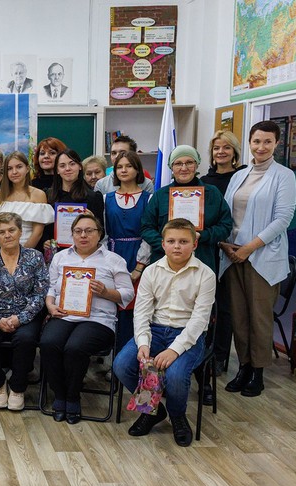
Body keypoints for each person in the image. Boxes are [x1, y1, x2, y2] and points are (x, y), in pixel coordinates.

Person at [113, 218, 215, 446]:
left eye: (183, 241)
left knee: (175, 375)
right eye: (171, 241)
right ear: (163, 244)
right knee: (122, 365)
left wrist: (174, 350)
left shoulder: (206, 274)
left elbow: (199, 320)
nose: (177, 246)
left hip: (188, 335)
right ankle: (153, 410)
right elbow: (142, 312)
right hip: (155, 330)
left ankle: (177, 416)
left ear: (194, 244)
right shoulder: (151, 271)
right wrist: (143, 343)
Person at [220, 120, 296, 397]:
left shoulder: (284, 176)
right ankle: (243, 366)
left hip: (261, 257)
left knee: (259, 318)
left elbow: (282, 219)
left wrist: (248, 248)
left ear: (277, 143)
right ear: (249, 143)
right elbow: (227, 213)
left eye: (267, 141)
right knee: (239, 316)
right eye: (256, 141)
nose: (261, 147)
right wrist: (227, 245)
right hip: (232, 255)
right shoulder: (240, 175)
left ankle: (258, 372)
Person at [40, 214, 133, 424]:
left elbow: (128, 294)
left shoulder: (113, 260)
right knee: (48, 342)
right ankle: (60, 394)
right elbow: (51, 287)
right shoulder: (60, 257)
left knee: (75, 347)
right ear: (72, 234)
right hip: (64, 315)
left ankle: (72, 397)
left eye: (89, 231)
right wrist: (50, 305)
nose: (83, 235)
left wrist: (106, 292)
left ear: (99, 234)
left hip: (98, 319)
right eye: (78, 231)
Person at [0, 212, 48, 410]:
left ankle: (17, 387)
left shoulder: (35, 257)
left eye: (11, 230)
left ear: (20, 231)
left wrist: (20, 318)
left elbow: (40, 293)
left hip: (26, 315)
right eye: (1, 232)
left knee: (26, 339)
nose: (7, 235)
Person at [141, 145, 233, 273]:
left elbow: (226, 226)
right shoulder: (160, 195)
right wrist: (168, 244)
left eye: (189, 162)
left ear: (196, 165)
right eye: (178, 163)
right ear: (171, 167)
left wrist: (203, 235)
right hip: (164, 263)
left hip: (202, 260)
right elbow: (146, 228)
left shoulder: (212, 193)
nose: (184, 168)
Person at [201, 130, 246, 374]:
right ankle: (203, 353)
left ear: (235, 151)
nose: (221, 152)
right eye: (217, 148)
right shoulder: (203, 182)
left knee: (226, 306)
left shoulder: (244, 177)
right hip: (210, 247)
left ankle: (220, 356)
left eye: (227, 147)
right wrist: (218, 242)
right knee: (207, 304)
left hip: (237, 249)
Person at [104, 151, 151, 351]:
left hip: (138, 255)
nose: (124, 170)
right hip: (113, 254)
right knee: (112, 305)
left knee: (135, 307)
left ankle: (132, 355)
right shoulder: (106, 198)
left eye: (129, 166)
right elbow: (103, 233)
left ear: (137, 170)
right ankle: (113, 357)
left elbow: (149, 233)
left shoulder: (149, 198)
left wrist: (140, 266)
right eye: (120, 167)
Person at [0, 151, 53, 249]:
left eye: (19, 167)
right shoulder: (0, 194)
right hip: (2, 251)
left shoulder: (39, 195)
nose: (14, 172)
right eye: (9, 168)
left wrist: (21, 254)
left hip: (28, 250)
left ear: (27, 169)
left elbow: (37, 233)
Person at [44, 149, 105, 243]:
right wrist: (46, 241)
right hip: (56, 250)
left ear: (80, 166)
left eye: (72, 164)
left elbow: (101, 234)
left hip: (83, 249)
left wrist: (93, 221)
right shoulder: (48, 196)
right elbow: (43, 228)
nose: (68, 168)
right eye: (62, 166)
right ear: (57, 170)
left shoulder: (94, 197)